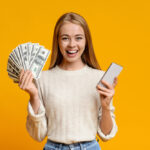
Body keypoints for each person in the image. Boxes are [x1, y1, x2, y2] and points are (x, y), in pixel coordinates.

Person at [18, 12, 118, 150]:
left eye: (78, 38)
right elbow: (38, 135)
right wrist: (33, 95)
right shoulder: (42, 79)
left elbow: (106, 134)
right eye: (65, 38)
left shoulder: (99, 78)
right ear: (57, 41)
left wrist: (106, 107)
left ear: (86, 41)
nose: (72, 44)